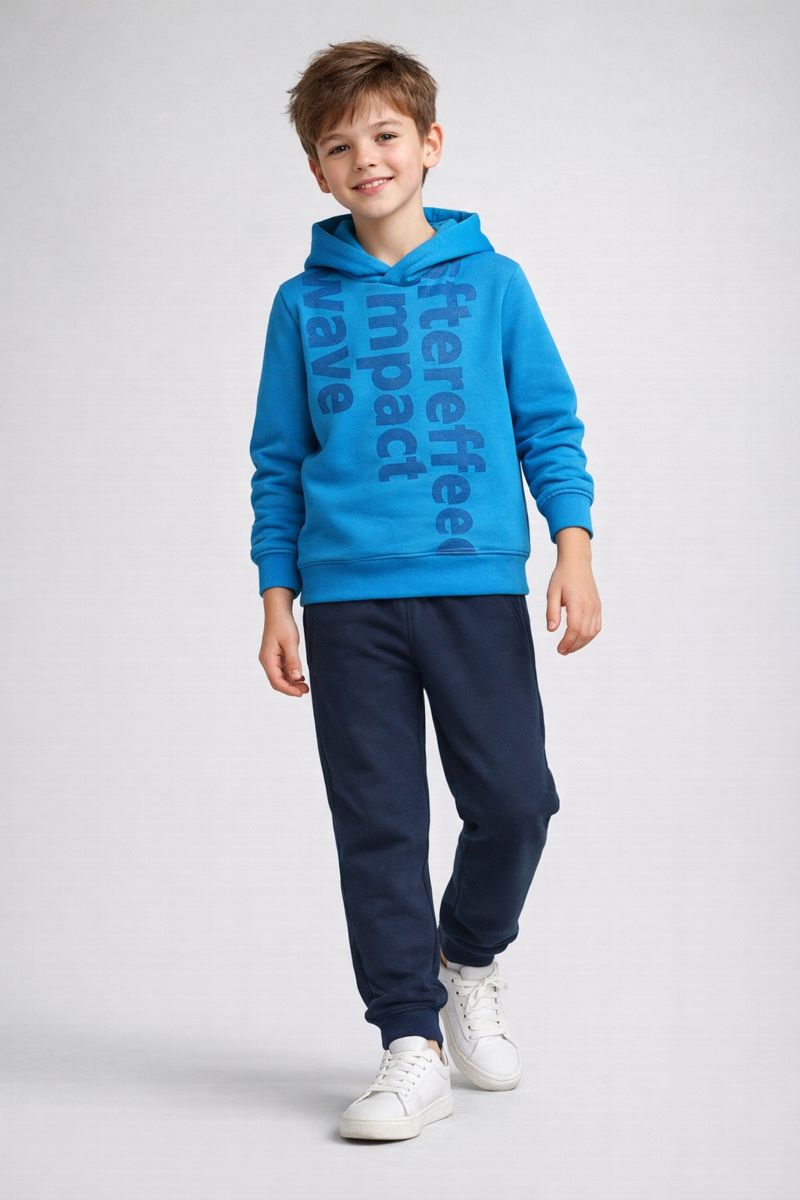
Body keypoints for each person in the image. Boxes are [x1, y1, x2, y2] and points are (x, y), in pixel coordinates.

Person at [248, 38, 602, 1142]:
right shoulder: (300, 306)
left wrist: (574, 547)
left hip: (472, 586)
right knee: (378, 824)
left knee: (515, 801)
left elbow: (548, 423)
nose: (366, 158)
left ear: (430, 143)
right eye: (338, 145)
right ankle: (409, 1041)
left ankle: (467, 962)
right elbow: (276, 460)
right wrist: (275, 596)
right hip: (345, 602)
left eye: (385, 135)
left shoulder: (495, 284)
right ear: (317, 171)